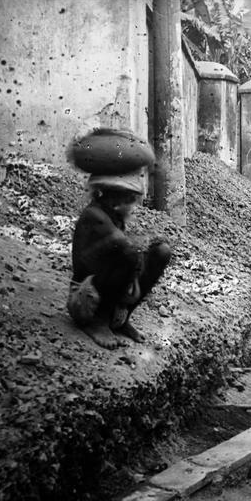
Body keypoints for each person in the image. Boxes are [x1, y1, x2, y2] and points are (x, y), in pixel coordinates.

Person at [67, 131, 172, 349]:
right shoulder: (94, 217)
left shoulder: (113, 216)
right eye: (130, 201)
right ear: (115, 200)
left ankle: (121, 320)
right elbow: (125, 248)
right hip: (86, 299)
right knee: (129, 254)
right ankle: (98, 323)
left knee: (161, 252)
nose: (133, 207)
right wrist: (140, 249)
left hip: (107, 293)